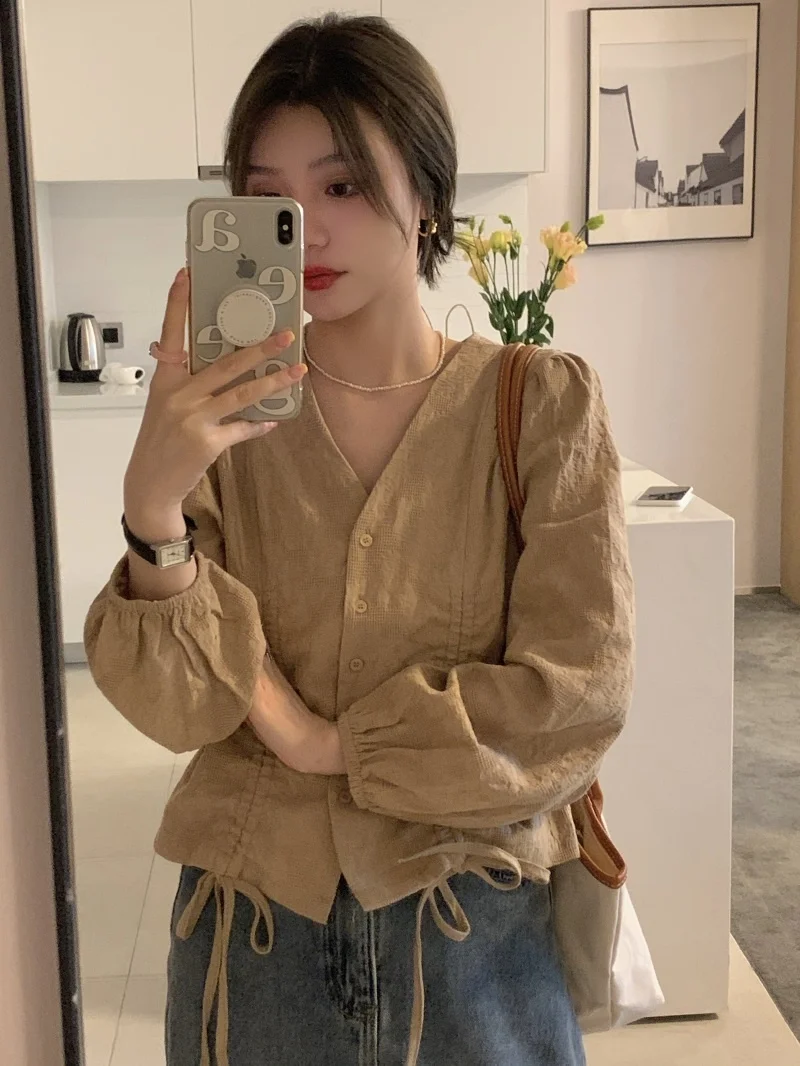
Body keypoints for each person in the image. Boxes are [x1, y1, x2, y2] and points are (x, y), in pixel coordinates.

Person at [84, 12, 635, 1066]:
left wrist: (329, 743)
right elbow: (176, 706)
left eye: (341, 185)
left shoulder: (540, 406)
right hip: (255, 936)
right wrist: (153, 509)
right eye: (269, 199)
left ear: (425, 196)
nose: (307, 228)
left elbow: (577, 694)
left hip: (473, 933)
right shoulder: (222, 423)